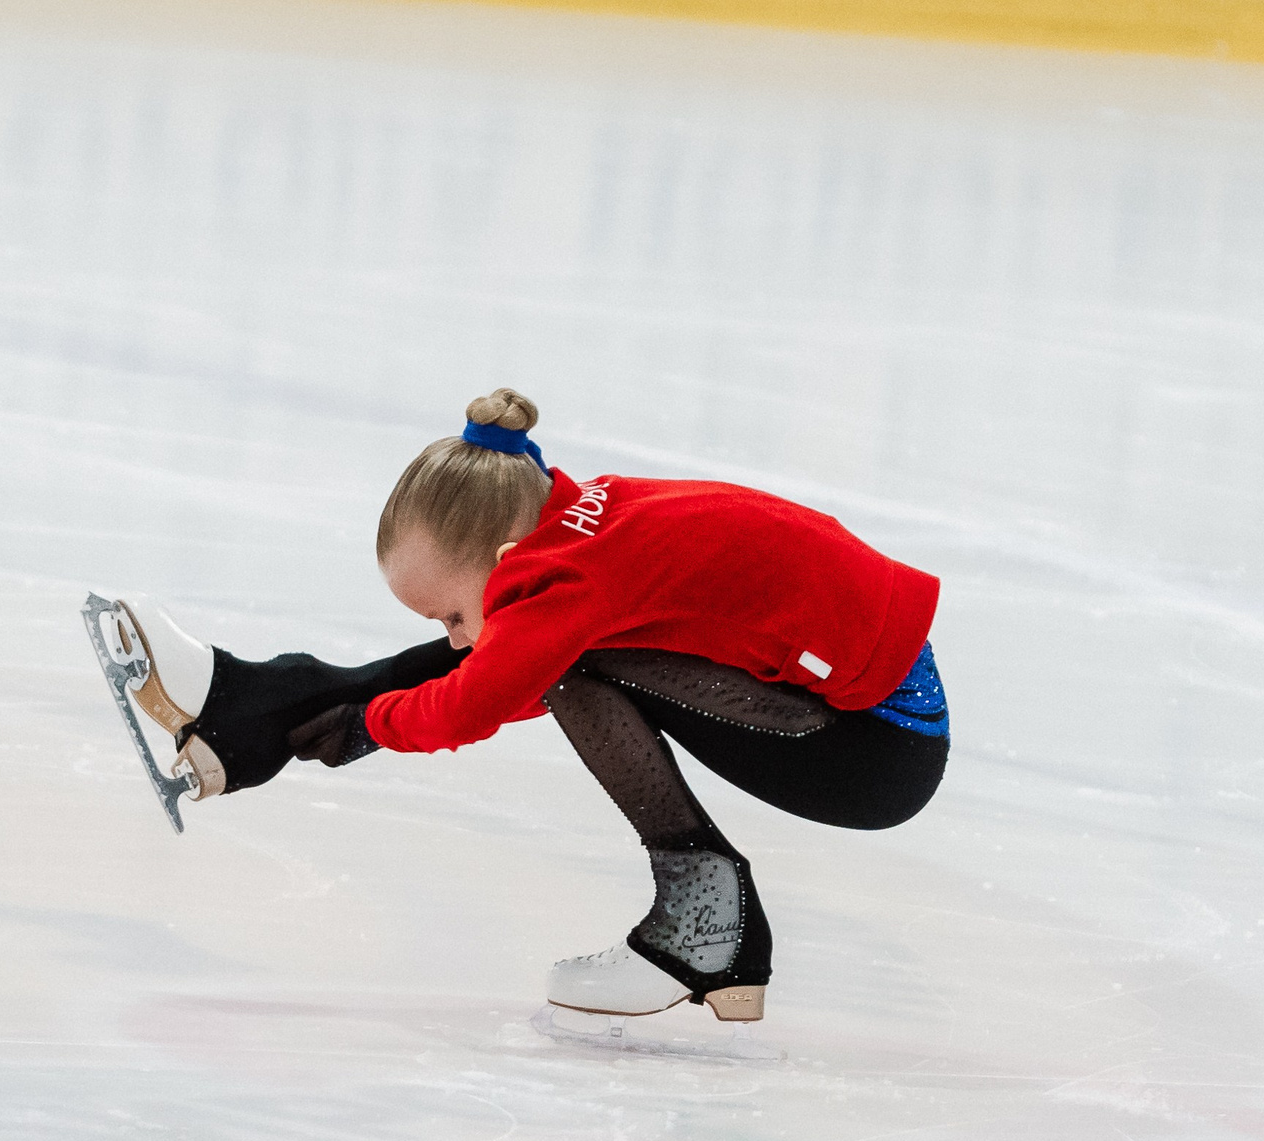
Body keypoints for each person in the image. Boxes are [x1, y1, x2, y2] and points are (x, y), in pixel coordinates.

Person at [98, 388, 949, 1023]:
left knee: (563, 662)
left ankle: (707, 921)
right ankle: (250, 704)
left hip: (873, 751)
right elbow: (495, 662)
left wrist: (368, 725)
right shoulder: (579, 521)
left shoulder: (573, 584)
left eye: (452, 612)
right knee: (539, 648)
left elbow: (477, 701)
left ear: (504, 549)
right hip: (855, 709)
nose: (457, 635)